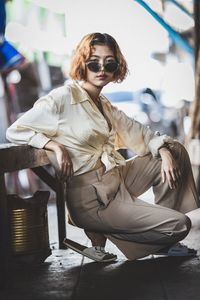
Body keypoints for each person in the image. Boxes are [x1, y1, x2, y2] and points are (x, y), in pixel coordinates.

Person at [6, 32, 200, 262]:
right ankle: (143, 232)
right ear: (82, 64)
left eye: (109, 63)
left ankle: (158, 234)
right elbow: (16, 130)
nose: (102, 69)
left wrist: (165, 152)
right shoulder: (62, 98)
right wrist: (53, 145)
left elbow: (141, 133)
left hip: (115, 180)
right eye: (94, 62)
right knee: (181, 225)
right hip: (92, 199)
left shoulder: (104, 105)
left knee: (174, 150)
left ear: (116, 67)